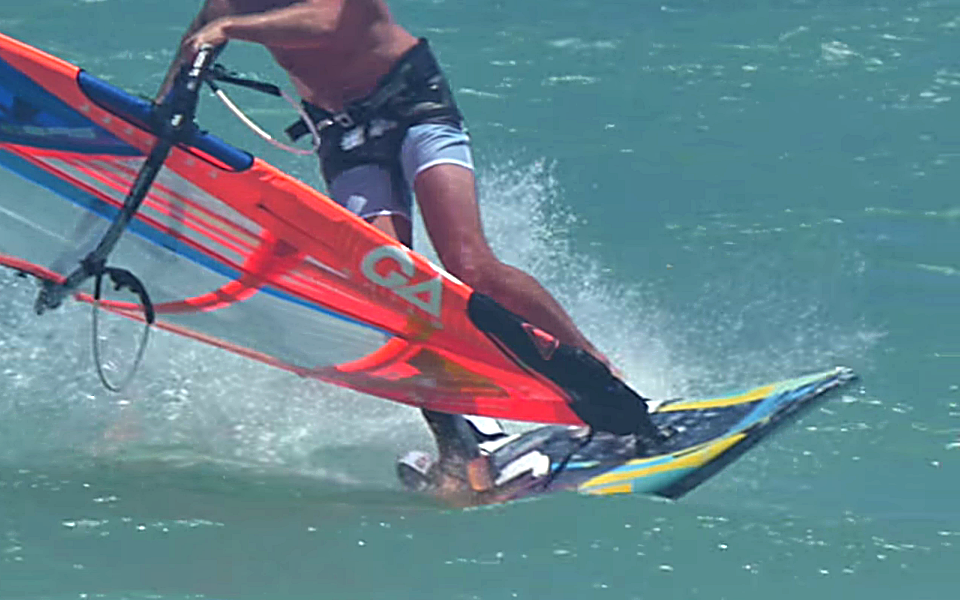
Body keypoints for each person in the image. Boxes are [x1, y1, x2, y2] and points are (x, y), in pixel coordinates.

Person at [159, 0, 641, 484]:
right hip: (343, 133)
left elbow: (328, 21)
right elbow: (195, 43)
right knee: (387, 288)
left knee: (470, 264)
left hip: (414, 104)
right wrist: (162, 114)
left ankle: (602, 377)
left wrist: (230, 28)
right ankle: (461, 439)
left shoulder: (244, 16)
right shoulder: (230, 5)